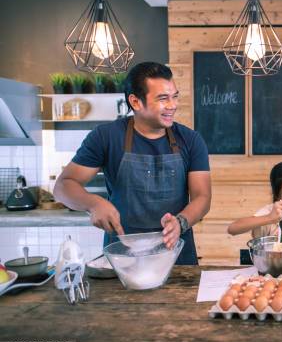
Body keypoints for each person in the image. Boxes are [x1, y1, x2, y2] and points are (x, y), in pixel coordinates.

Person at [54, 62, 211, 265]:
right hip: (123, 259)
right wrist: (93, 203)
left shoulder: (190, 140)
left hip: (176, 257)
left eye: (174, 96)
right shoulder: (105, 137)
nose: (172, 105)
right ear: (135, 102)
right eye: (163, 99)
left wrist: (180, 222)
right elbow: (63, 186)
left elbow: (203, 197)